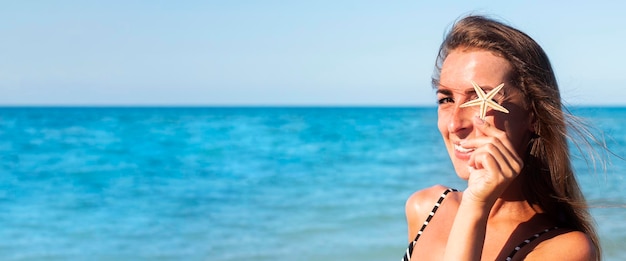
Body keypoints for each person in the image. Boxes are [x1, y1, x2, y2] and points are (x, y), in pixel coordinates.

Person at [402, 15, 601, 260]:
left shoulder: (563, 249)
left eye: (479, 99)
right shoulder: (425, 208)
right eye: (446, 99)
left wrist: (476, 205)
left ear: (534, 116)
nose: (454, 124)